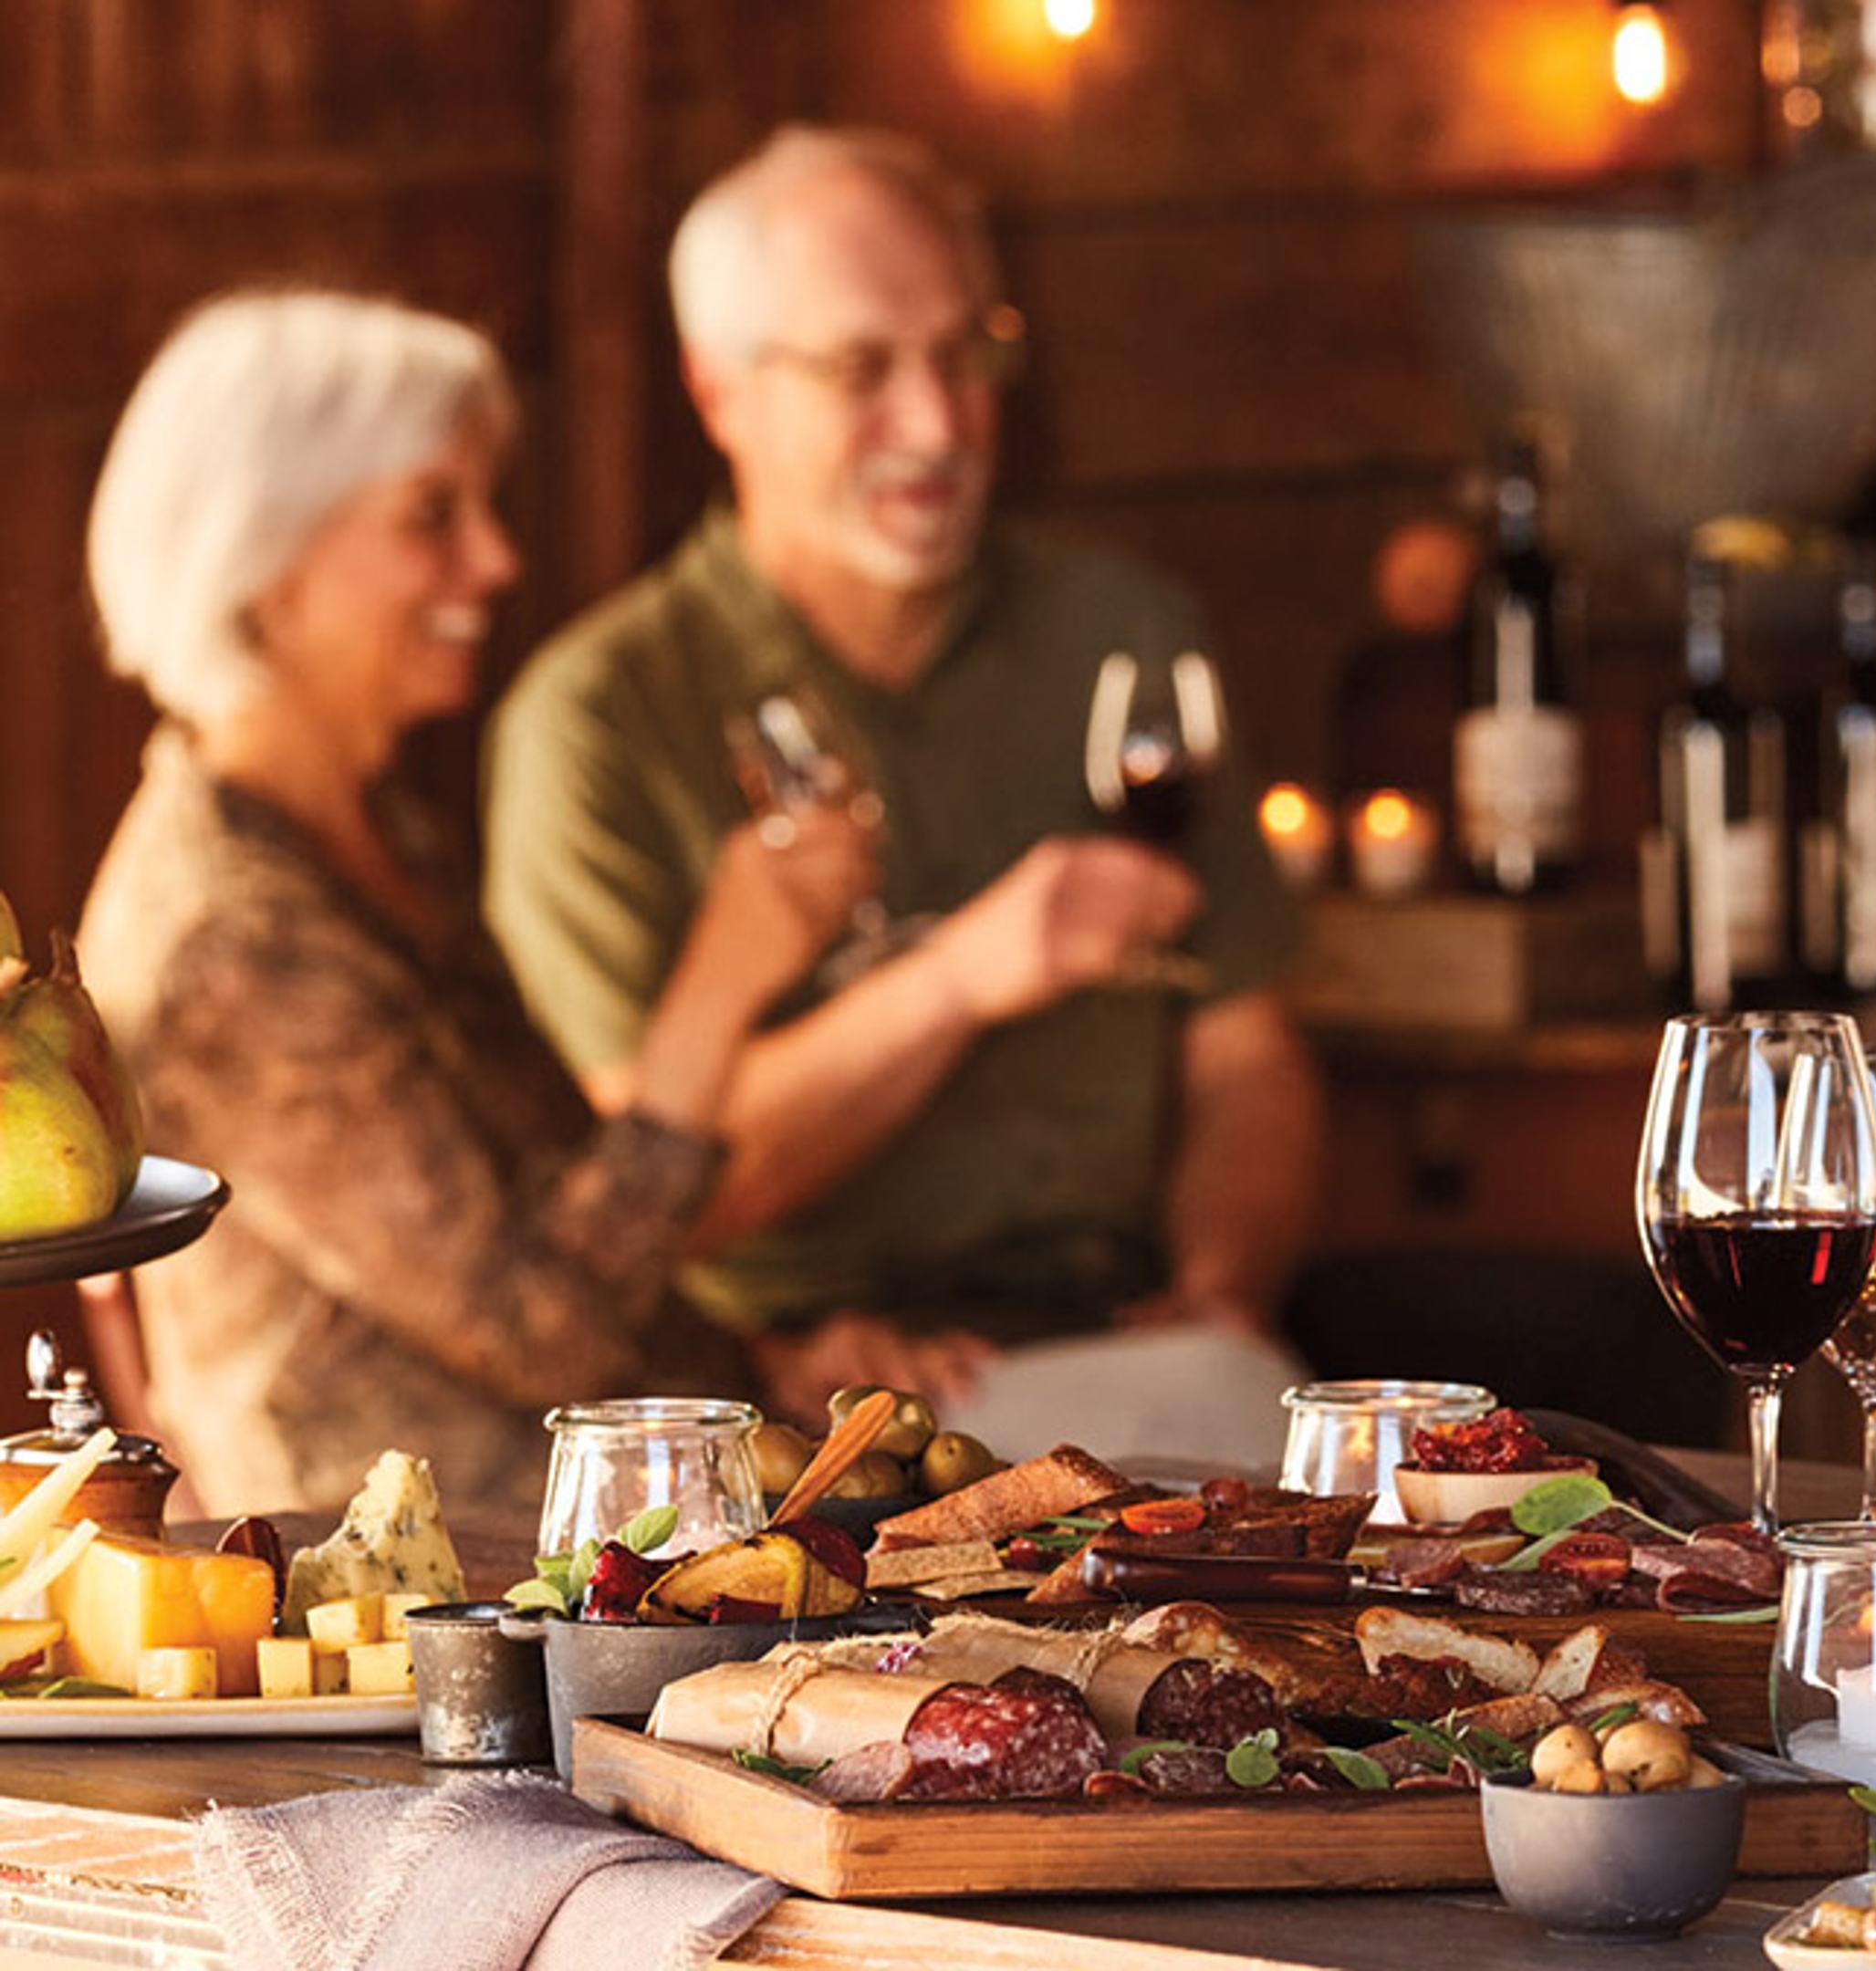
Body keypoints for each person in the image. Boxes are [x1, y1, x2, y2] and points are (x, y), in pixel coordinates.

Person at [484, 126, 1320, 1441]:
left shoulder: (1128, 634)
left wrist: (1218, 1287)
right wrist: (963, 979)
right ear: (720, 395)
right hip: (785, 1403)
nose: (935, 423)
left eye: (964, 355)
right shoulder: (595, 722)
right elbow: (655, 1202)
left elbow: (1247, 1065)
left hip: (1132, 1365)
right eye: (863, 368)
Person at [73, 290, 871, 1515]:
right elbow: (539, 1326)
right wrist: (725, 978)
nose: (494, 560)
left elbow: (559, 1202)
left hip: (608, 1500)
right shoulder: (230, 941)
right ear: (264, 562)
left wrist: (766, 1377)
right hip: (437, 1580)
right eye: (432, 517)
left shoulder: (379, 832)